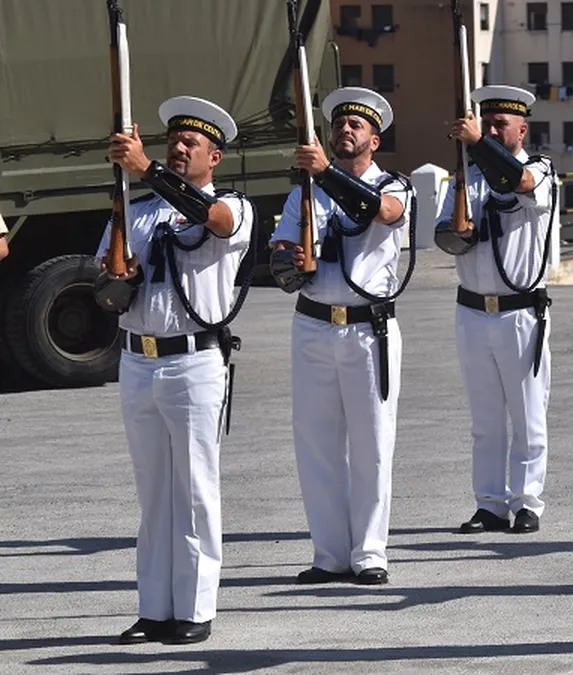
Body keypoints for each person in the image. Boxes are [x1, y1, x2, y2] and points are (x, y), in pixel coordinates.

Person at [96, 96, 254, 644]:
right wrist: (118, 274)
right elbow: (106, 278)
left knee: (194, 489)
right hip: (138, 359)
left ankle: (195, 608)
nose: (180, 148)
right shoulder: (136, 209)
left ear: (215, 157)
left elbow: (217, 223)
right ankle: (154, 608)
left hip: (193, 362)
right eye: (174, 141)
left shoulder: (232, 205)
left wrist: (147, 169)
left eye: (192, 143)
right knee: (153, 493)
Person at [268, 86, 413, 586]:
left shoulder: (395, 186)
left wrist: (326, 172)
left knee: (372, 443)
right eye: (339, 124)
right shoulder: (304, 193)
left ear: (375, 140)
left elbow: (384, 214)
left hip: (367, 329)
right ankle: (329, 553)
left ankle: (370, 552)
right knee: (317, 444)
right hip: (313, 325)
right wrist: (291, 259)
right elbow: (281, 253)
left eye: (356, 125)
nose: (344, 130)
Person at [435, 84, 556, 536]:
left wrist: (476, 144)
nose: (490, 130)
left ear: (521, 130)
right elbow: (444, 234)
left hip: (520, 312)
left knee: (527, 414)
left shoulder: (540, 169)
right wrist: (459, 233)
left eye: (500, 124)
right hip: (472, 310)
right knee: (485, 420)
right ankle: (489, 504)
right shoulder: (466, 177)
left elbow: (521, 184)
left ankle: (527, 502)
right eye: (485, 123)